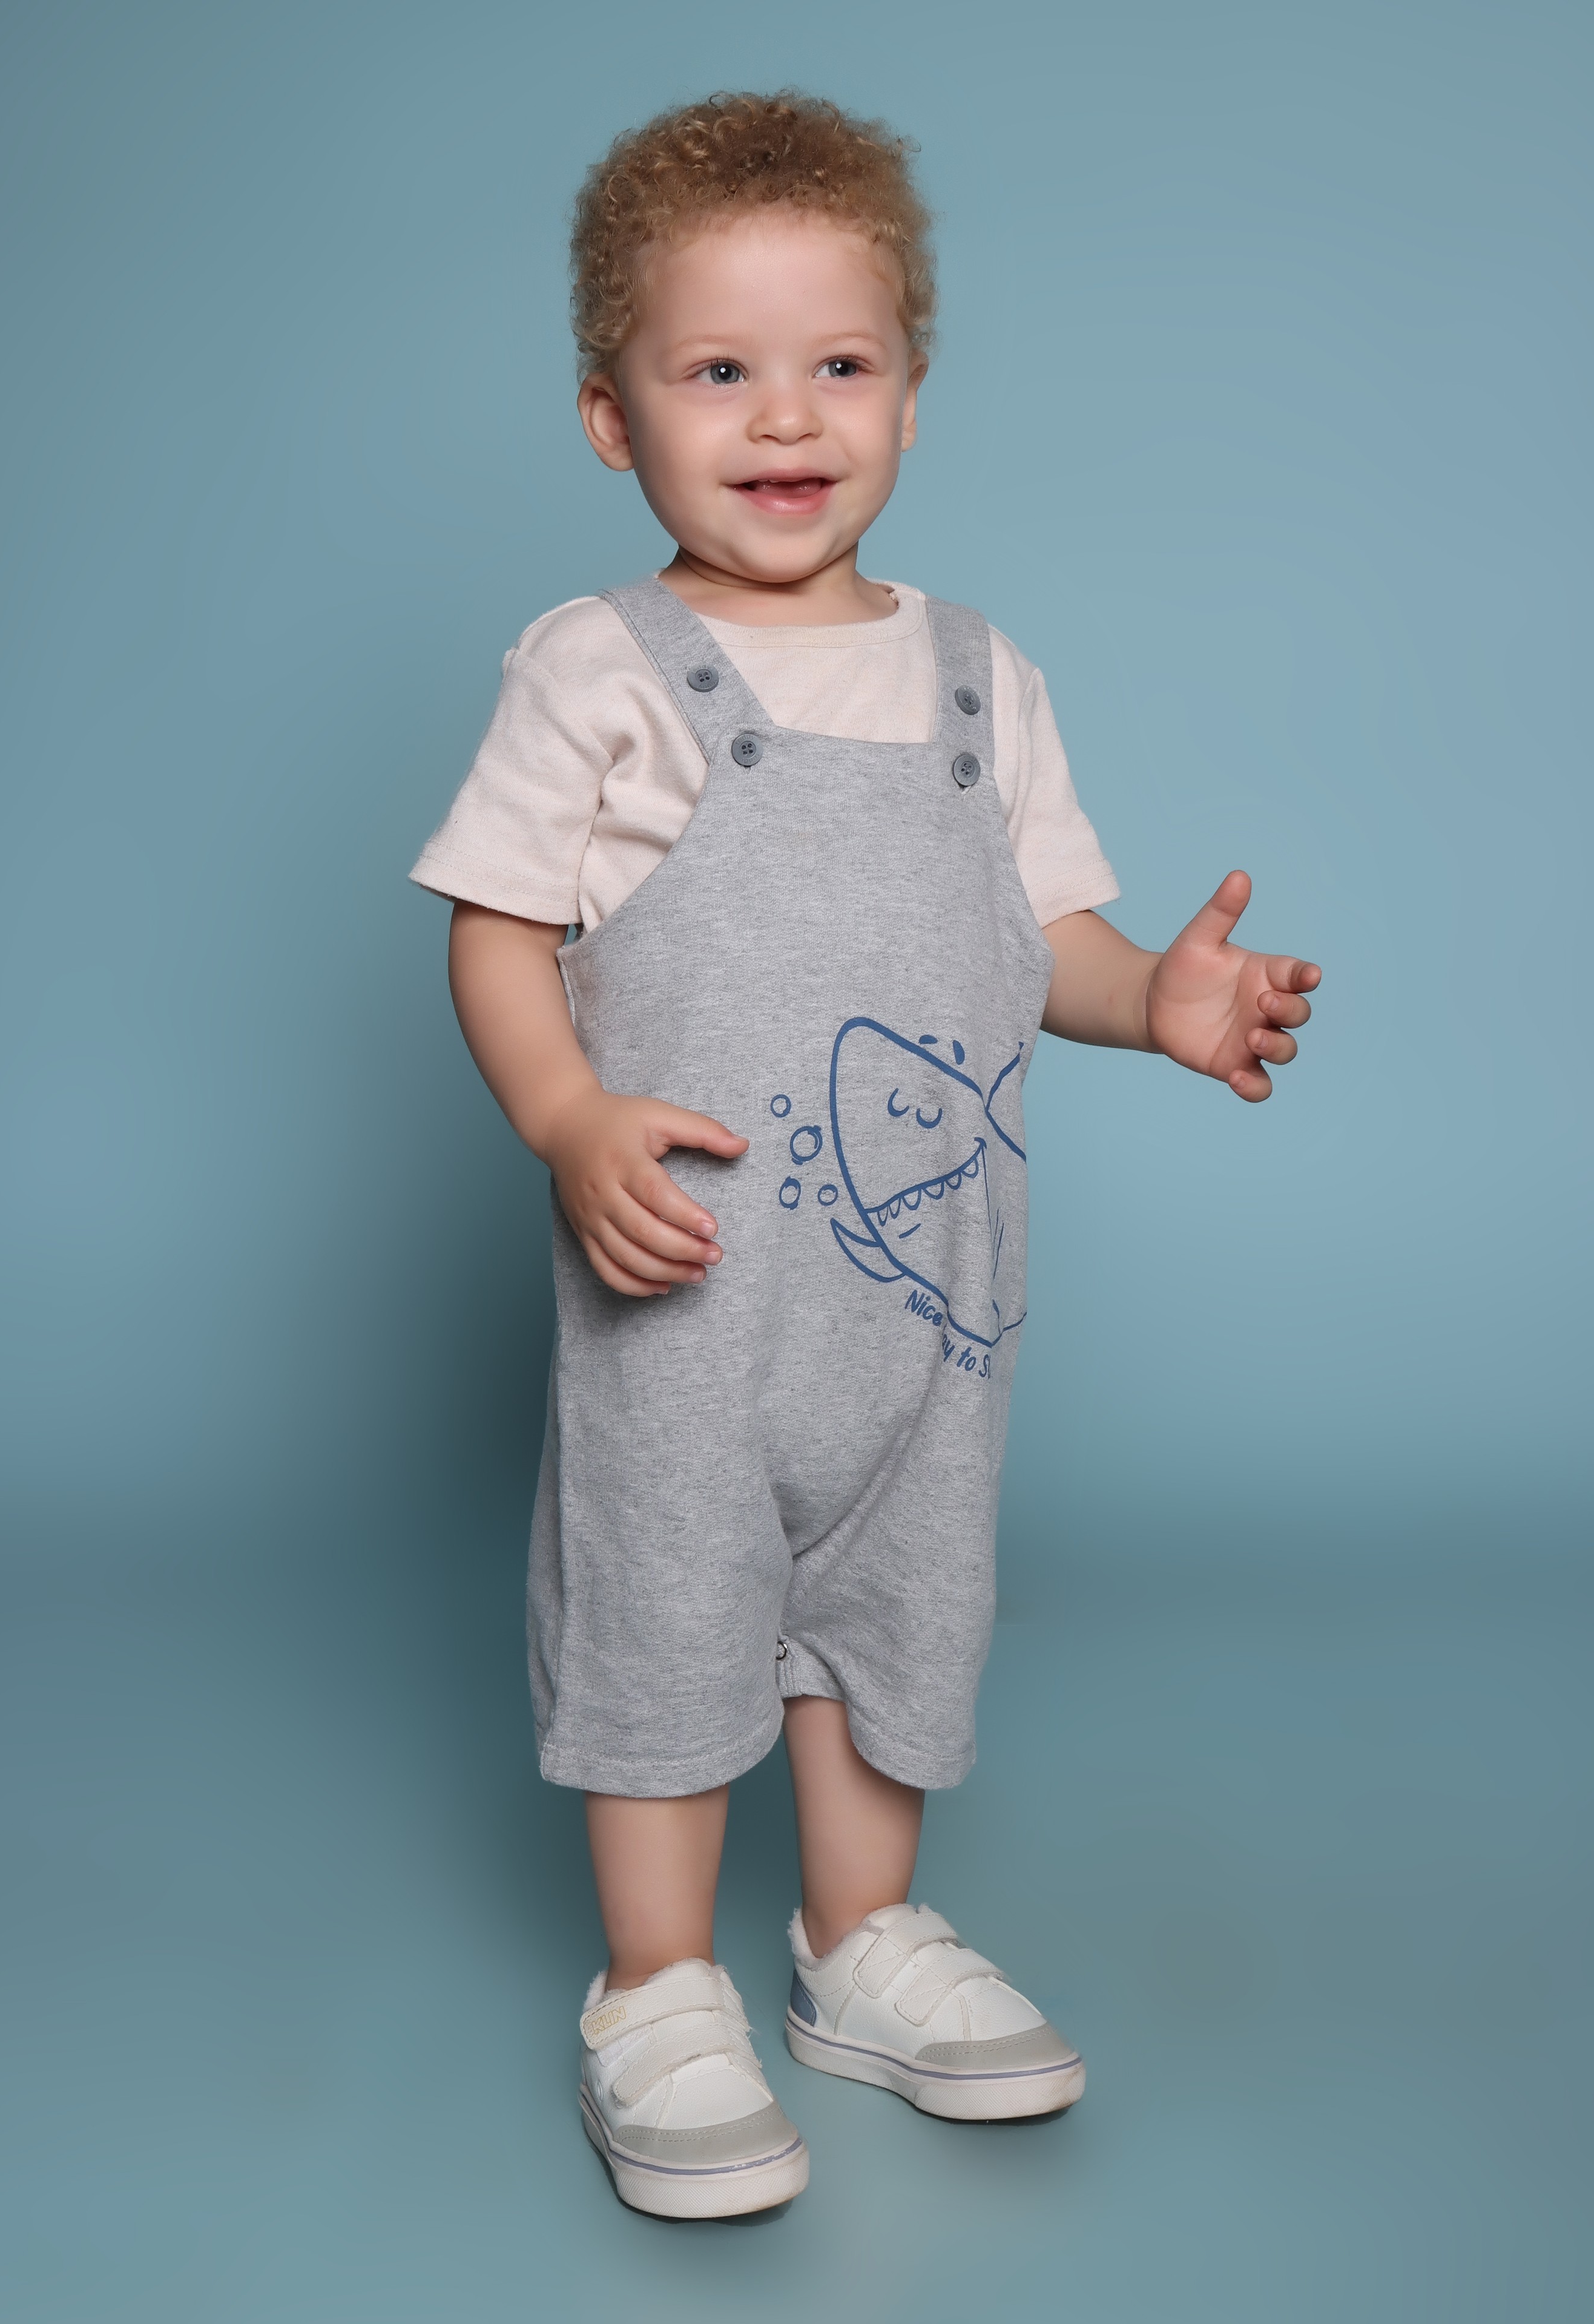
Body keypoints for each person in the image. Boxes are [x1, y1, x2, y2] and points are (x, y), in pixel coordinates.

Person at [411, 91, 1320, 2219]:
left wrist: (1157, 1002)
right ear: (610, 418)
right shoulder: (598, 669)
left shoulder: (980, 677)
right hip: (690, 1292)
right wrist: (564, 1114)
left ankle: (859, 1941)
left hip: (930, 1307)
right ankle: (655, 1984)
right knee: (665, 1616)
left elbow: (1045, 939)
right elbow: (497, 930)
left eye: (838, 362)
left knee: (902, 1613)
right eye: (714, 369)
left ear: (911, 388)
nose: (782, 415)